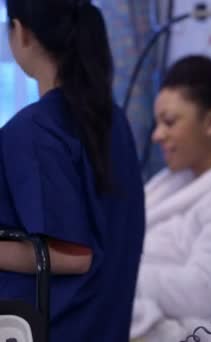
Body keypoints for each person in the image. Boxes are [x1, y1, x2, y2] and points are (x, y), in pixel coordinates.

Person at [0, 0, 145, 341]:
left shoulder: (35, 130)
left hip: (51, 329)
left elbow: (72, 255)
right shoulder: (112, 120)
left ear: (22, 34)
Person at [130, 55, 211, 342]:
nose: (157, 135)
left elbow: (208, 290)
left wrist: (122, 275)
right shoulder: (172, 182)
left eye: (169, 122)